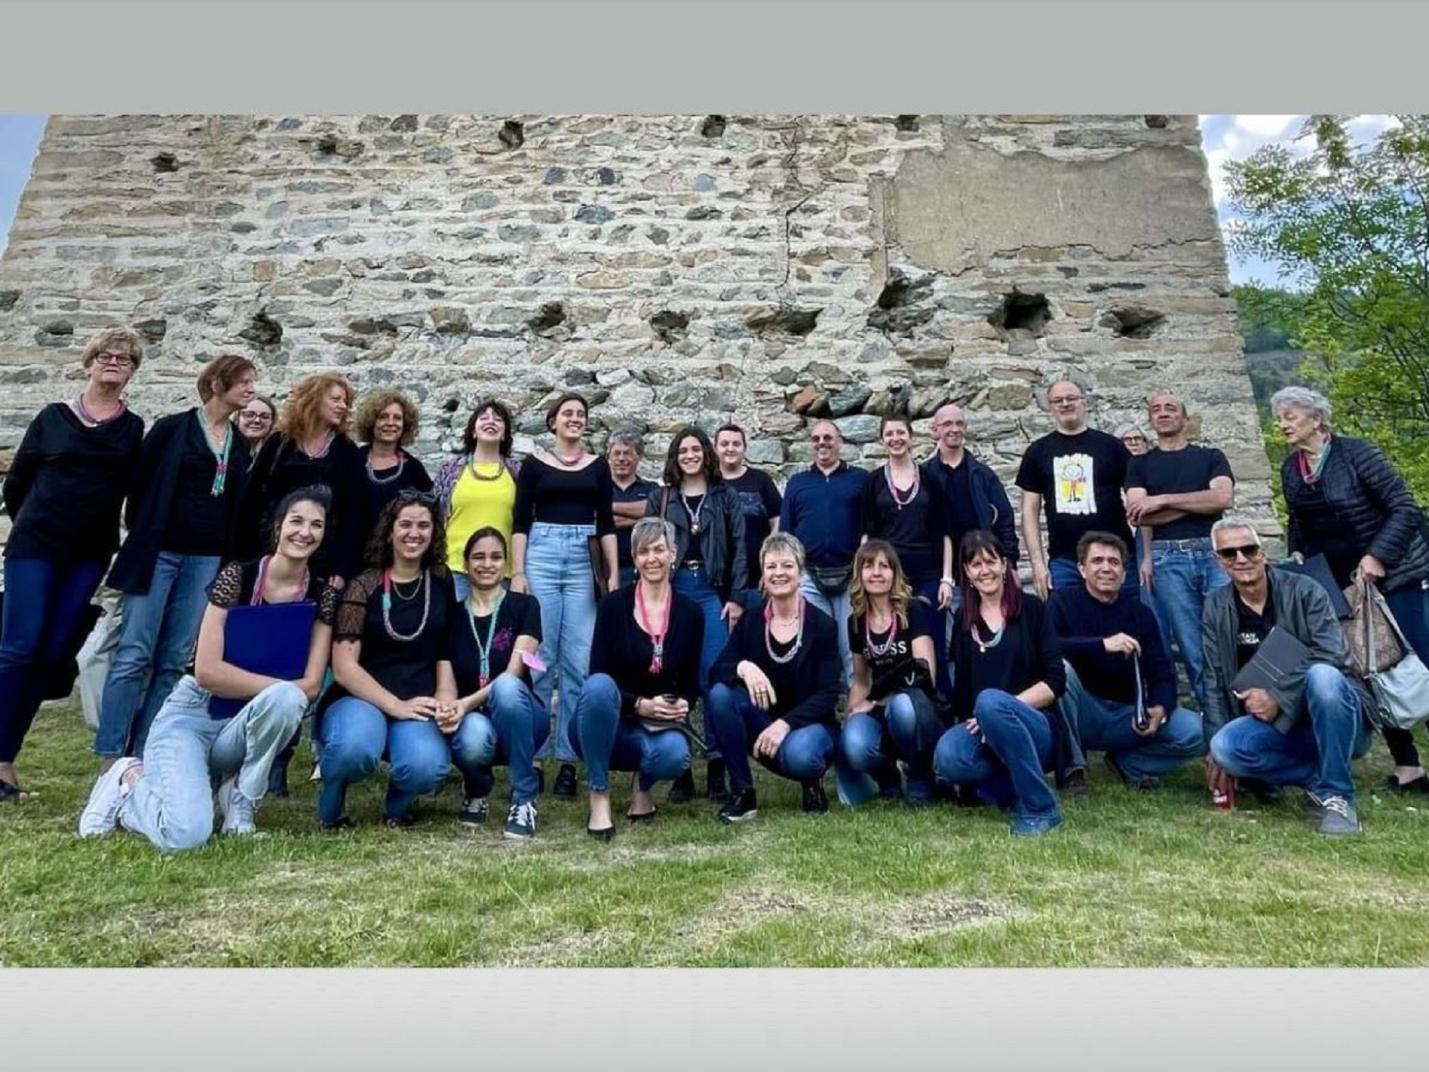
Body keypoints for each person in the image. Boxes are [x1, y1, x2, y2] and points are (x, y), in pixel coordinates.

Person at [78, 487, 337, 848]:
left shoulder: (321, 595)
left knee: (287, 701)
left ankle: (240, 805)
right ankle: (129, 780)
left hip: (244, 723)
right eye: (296, 521)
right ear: (278, 527)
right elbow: (207, 672)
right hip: (193, 716)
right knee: (186, 835)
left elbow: (310, 686)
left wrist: (272, 691)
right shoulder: (237, 578)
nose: (304, 532)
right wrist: (278, 686)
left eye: (316, 525)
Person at [1, 327, 146, 800]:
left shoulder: (132, 428)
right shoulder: (53, 418)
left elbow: (131, 492)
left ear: (131, 372)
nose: (113, 362)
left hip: (88, 553)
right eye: (105, 355)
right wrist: (38, 524)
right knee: (19, 647)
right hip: (35, 547)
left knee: (52, 653)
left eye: (123, 359)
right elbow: (17, 482)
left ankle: (6, 757)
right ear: (88, 362)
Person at [95, 354, 257, 767]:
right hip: (159, 553)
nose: (250, 390)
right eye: (243, 382)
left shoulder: (239, 444)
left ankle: (147, 750)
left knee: (173, 659)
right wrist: (148, 533)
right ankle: (111, 754)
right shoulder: (173, 429)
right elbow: (139, 486)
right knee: (135, 652)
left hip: (205, 559)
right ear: (218, 384)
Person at [1271, 385, 1429, 794]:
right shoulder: (1292, 468)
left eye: (1290, 416)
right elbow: (1299, 521)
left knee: (1415, 663)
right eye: (1280, 417)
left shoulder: (1358, 453)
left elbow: (1404, 507)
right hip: (1338, 583)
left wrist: (1378, 556)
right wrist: (1299, 554)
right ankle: (1407, 766)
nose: (1282, 424)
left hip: (1394, 576)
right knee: (1367, 669)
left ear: (1317, 419)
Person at [1203, 517, 1374, 836]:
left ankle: (1337, 797)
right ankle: (1318, 780)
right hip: (1277, 729)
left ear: (1263, 552)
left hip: (1337, 717)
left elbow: (1334, 654)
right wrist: (1213, 753)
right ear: (1219, 561)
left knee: (1323, 676)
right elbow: (1212, 678)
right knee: (1225, 746)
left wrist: (1278, 697)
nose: (1241, 559)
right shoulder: (1215, 606)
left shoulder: (1307, 590)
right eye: (1229, 553)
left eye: (1249, 549)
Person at [317, 491, 455, 829]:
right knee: (354, 750)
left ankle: (398, 805)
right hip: (359, 698)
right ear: (389, 530)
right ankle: (333, 794)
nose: (414, 533)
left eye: (424, 525)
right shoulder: (362, 586)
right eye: (405, 524)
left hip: (417, 699)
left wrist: (445, 699)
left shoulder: (441, 581)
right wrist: (394, 705)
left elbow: (446, 650)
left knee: (428, 766)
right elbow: (344, 666)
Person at [510, 392, 618, 800]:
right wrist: (518, 572)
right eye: (567, 413)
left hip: (582, 559)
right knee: (538, 658)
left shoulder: (598, 466)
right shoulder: (535, 465)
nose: (575, 419)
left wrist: (611, 577)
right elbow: (520, 521)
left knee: (578, 659)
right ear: (552, 421)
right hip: (541, 552)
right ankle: (534, 756)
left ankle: (570, 759)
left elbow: (605, 522)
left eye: (581, 414)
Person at [569, 517, 703, 839]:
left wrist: (680, 704)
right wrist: (640, 705)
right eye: (643, 551)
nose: (652, 558)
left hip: (655, 728)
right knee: (599, 686)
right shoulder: (613, 607)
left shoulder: (691, 613)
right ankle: (599, 795)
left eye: (659, 549)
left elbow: (690, 685)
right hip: (606, 721)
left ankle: (642, 787)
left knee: (675, 754)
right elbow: (596, 675)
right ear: (634, 557)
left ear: (673, 553)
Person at [932, 529, 1066, 837]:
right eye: (975, 564)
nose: (985, 570)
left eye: (991, 561)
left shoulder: (1033, 610)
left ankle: (1041, 808)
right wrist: (983, 717)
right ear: (966, 572)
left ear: (1004, 565)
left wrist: (1002, 709)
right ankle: (1009, 791)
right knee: (948, 756)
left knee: (991, 701)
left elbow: (1055, 682)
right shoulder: (965, 622)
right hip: (986, 730)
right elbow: (963, 694)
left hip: (1037, 727)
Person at [1049, 531, 1204, 789]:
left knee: (1196, 732)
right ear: (1082, 569)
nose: (1106, 568)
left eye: (1114, 562)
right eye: (1097, 561)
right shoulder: (1061, 603)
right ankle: (1072, 769)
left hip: (1128, 714)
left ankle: (1130, 763)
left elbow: (1161, 672)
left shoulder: (1140, 614)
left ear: (1123, 572)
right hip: (1081, 713)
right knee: (1060, 670)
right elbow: (1047, 649)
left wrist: (1160, 707)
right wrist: (1102, 645)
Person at [706, 533, 842, 822]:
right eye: (771, 567)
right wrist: (744, 667)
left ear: (800, 571)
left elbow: (829, 693)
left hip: (810, 726)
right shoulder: (751, 621)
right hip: (763, 724)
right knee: (720, 694)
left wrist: (785, 724)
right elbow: (716, 671)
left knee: (801, 755)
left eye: (787, 566)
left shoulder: (823, 625)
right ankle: (743, 794)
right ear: (763, 574)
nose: (778, 573)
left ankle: (811, 781)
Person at [646, 424, 747, 802]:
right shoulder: (661, 497)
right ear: (675, 457)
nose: (690, 455)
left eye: (695, 449)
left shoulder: (725, 496)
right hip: (671, 594)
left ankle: (717, 768)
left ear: (706, 453)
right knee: (674, 679)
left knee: (714, 679)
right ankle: (682, 768)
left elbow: (739, 547)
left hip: (710, 592)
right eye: (682, 450)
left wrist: (735, 597)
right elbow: (647, 546)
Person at [1124, 390, 1236, 707]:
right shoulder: (1140, 464)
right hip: (1166, 555)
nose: (1163, 412)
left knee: (1227, 634)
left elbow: (1223, 499)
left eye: (1170, 408)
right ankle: (1216, 722)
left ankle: (1246, 714)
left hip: (1215, 553)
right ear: (1150, 419)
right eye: (1156, 409)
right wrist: (1200, 502)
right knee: (1192, 645)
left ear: (1184, 418)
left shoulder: (1211, 457)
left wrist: (1162, 500)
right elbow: (1136, 512)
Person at [437, 527, 547, 839]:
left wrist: (464, 703)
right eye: (479, 557)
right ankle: (476, 789)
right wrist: (449, 708)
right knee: (471, 735)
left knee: (507, 688)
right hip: (473, 719)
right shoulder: (452, 616)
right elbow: (446, 680)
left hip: (521, 715)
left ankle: (524, 798)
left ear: (506, 564)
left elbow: (513, 674)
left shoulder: (525, 606)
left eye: (496, 557)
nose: (487, 564)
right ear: (466, 563)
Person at [835, 540, 943, 807]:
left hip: (915, 704)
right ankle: (887, 778)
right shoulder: (856, 622)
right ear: (859, 573)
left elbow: (924, 674)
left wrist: (874, 701)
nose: (876, 573)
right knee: (854, 741)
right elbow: (861, 680)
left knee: (903, 708)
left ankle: (919, 773)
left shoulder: (912, 610)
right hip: (880, 707)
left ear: (894, 573)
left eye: (884, 566)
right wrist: (850, 716)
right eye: (869, 566)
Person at [921, 401, 1019, 695]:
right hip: (943, 580)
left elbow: (1004, 522)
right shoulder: (924, 475)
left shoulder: (983, 475)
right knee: (947, 646)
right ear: (934, 429)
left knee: (985, 643)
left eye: (959, 423)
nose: (954, 429)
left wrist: (1009, 566)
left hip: (983, 576)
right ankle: (953, 708)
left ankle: (990, 702)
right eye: (947, 424)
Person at [1016, 377, 1136, 601]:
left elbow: (1137, 497)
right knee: (1071, 629)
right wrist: (1038, 564)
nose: (1065, 404)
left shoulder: (1111, 447)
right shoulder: (1038, 452)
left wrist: (1144, 553)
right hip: (1065, 561)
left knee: (1126, 624)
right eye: (1057, 400)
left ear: (1085, 402)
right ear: (1050, 407)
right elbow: (1029, 512)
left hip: (1115, 556)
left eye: (1071, 398)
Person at [239, 372, 362, 586]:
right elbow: (251, 498)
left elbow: (351, 512)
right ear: (313, 399)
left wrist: (340, 567)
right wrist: (241, 555)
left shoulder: (347, 451)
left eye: (345, 401)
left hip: (320, 555)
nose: (343, 406)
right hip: (269, 549)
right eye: (336, 399)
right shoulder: (280, 442)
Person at [779, 419, 867, 687]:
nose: (822, 443)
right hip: (809, 578)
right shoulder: (797, 483)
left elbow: (869, 528)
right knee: (814, 648)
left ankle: (856, 714)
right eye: (816, 439)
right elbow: (786, 531)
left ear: (839, 442)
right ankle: (819, 715)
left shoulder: (860, 479)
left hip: (850, 576)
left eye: (828, 437)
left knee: (851, 649)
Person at [862, 413, 954, 614]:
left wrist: (946, 579)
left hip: (929, 574)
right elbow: (866, 534)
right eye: (889, 434)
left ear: (911, 438)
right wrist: (865, 576)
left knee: (931, 638)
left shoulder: (931, 479)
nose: (896, 438)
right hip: (888, 574)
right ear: (882, 440)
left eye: (901, 432)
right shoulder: (873, 481)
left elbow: (945, 532)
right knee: (896, 638)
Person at [435, 398, 521, 602]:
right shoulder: (451, 470)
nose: (490, 421)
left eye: (498, 419)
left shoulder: (518, 472)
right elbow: (435, 515)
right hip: (455, 569)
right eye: (483, 418)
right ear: (473, 431)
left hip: (502, 571)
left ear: (504, 434)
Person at [352, 389, 434, 571]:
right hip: (354, 563)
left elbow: (428, 516)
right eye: (383, 417)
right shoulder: (352, 461)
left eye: (397, 418)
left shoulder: (414, 469)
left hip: (399, 565)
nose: (390, 423)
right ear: (371, 422)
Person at [714, 422, 782, 610]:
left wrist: (771, 568)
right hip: (717, 583)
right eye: (724, 444)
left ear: (744, 448)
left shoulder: (761, 480)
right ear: (715, 448)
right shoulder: (708, 483)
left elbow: (777, 522)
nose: (730, 448)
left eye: (736, 444)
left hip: (756, 581)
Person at [607, 427, 657, 589]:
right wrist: (639, 519)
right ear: (609, 457)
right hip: (604, 572)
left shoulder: (652, 489)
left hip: (642, 571)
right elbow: (594, 518)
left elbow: (653, 513)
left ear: (638, 457)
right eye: (616, 453)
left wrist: (607, 507)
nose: (621, 458)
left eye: (627, 453)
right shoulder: (599, 488)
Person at [235, 395, 277, 467]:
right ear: (237, 418)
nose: (257, 420)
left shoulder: (277, 455)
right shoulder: (224, 449)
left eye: (265, 417)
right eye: (249, 415)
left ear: (272, 422)